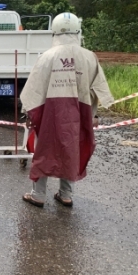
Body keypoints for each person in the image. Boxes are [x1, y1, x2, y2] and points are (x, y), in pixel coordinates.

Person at [20, 12, 114, 207]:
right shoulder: (89, 57)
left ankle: (37, 196)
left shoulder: (47, 56)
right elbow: (99, 89)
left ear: (54, 32)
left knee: (44, 150)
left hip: (50, 115)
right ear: (78, 32)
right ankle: (65, 195)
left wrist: (28, 113)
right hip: (79, 115)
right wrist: (95, 115)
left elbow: (34, 89)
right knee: (73, 150)